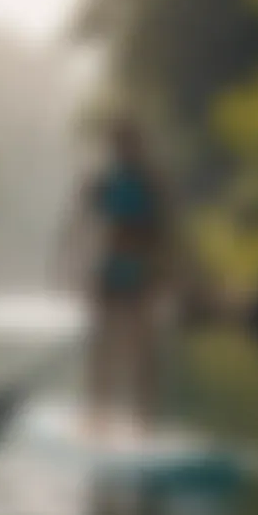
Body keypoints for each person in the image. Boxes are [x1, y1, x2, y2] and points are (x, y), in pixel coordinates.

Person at [57, 119, 176, 439]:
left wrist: (165, 273)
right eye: (120, 143)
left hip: (141, 274)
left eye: (131, 142)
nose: (125, 148)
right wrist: (70, 266)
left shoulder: (153, 182)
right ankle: (96, 420)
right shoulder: (101, 181)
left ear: (139, 144)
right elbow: (78, 224)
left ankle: (145, 425)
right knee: (103, 350)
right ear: (114, 146)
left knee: (144, 352)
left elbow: (166, 230)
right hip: (108, 271)